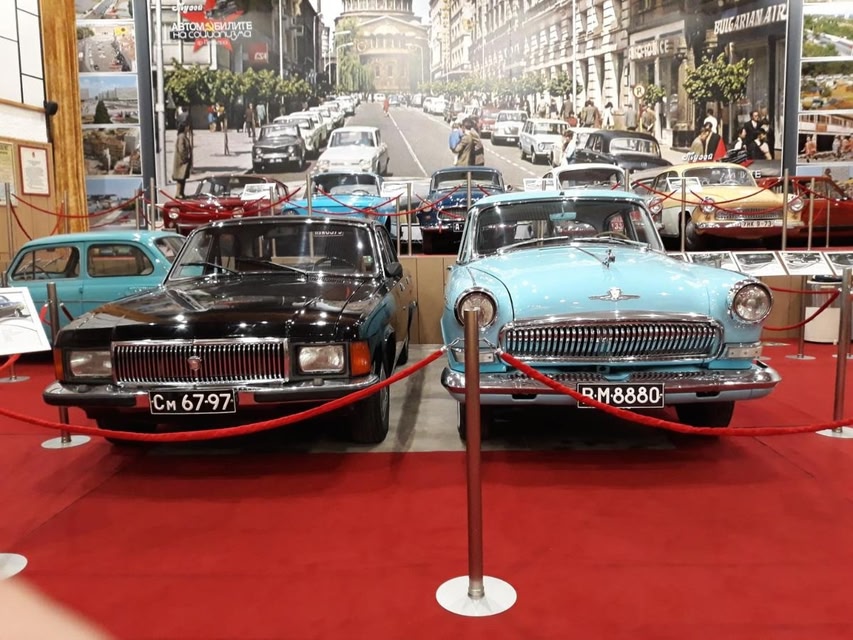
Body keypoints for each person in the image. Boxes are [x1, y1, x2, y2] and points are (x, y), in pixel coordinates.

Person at [172, 121, 192, 198]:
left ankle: (181, 193)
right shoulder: (181, 137)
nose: (188, 128)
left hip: (184, 161)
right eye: (187, 127)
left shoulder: (184, 136)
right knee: (180, 177)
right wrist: (185, 157)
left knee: (183, 178)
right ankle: (178, 193)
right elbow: (181, 149)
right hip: (181, 161)